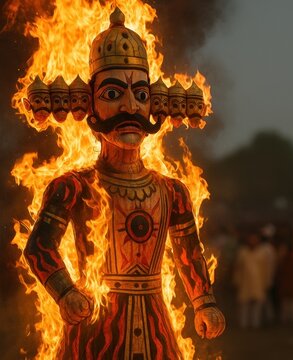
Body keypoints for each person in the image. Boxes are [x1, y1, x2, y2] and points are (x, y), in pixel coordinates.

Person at [23, 9, 225, 358]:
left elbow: (188, 252)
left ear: (154, 104)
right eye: (113, 94)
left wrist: (203, 302)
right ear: (90, 103)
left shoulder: (173, 191)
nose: (131, 106)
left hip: (157, 327)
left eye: (141, 95)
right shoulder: (72, 187)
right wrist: (66, 291)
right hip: (92, 329)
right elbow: (39, 247)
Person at [233, 232, 267, 328]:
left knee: (257, 305)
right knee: (244, 304)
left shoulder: (262, 252)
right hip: (245, 282)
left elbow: (266, 269)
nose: (253, 241)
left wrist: (266, 282)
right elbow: (238, 268)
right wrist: (237, 280)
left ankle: (255, 324)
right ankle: (244, 324)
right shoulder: (243, 252)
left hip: (258, 282)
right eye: (251, 239)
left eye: (255, 239)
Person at [276, 242, 293, 324]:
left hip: (289, 282)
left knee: (288, 302)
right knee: (292, 302)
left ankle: (288, 318)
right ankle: (292, 318)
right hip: (291, 282)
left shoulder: (287, 258)